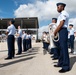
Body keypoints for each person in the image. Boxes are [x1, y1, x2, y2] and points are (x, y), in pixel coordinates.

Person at [54, 3, 70, 73]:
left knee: (64, 49)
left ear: (62, 7)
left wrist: (55, 31)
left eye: (58, 7)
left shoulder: (64, 13)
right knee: (60, 48)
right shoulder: (60, 14)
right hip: (60, 31)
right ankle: (60, 63)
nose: (57, 8)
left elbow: (61, 24)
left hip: (63, 31)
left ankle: (66, 66)